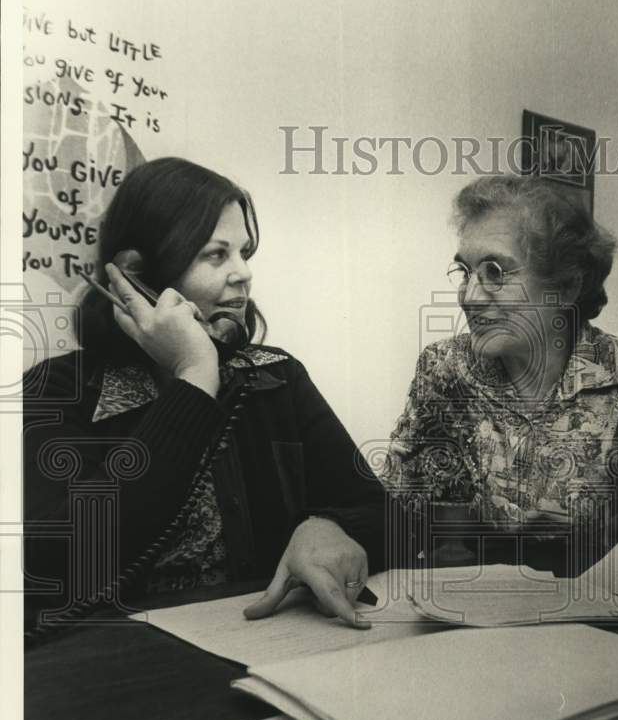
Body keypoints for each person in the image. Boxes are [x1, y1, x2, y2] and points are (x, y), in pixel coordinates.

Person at [24, 157, 388, 636]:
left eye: (244, 253)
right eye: (216, 255)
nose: (243, 274)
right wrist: (194, 377)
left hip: (262, 644)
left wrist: (327, 525)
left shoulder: (275, 376)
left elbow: (383, 512)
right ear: (135, 275)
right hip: (113, 665)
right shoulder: (52, 392)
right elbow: (57, 560)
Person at [383, 175, 618, 611]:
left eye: (495, 272)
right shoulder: (445, 369)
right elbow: (396, 509)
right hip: (471, 614)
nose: (469, 294)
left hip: (598, 623)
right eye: (464, 271)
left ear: (566, 286)